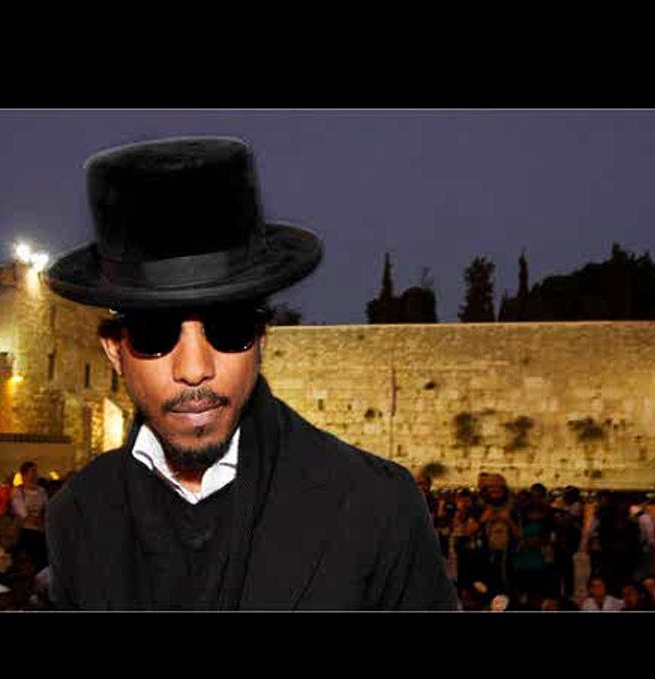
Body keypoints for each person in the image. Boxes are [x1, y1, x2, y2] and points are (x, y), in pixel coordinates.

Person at [42, 137, 457, 610]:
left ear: (261, 337)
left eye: (228, 328)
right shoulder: (77, 515)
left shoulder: (377, 506)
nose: (194, 370)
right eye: (156, 334)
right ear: (115, 350)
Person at [10, 461, 48, 572]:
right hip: (25, 531)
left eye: (36, 472)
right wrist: (35, 521)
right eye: (33, 472)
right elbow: (22, 512)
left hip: (40, 531)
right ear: (24, 474)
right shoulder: (18, 491)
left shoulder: (41, 491)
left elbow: (46, 508)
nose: (36, 475)